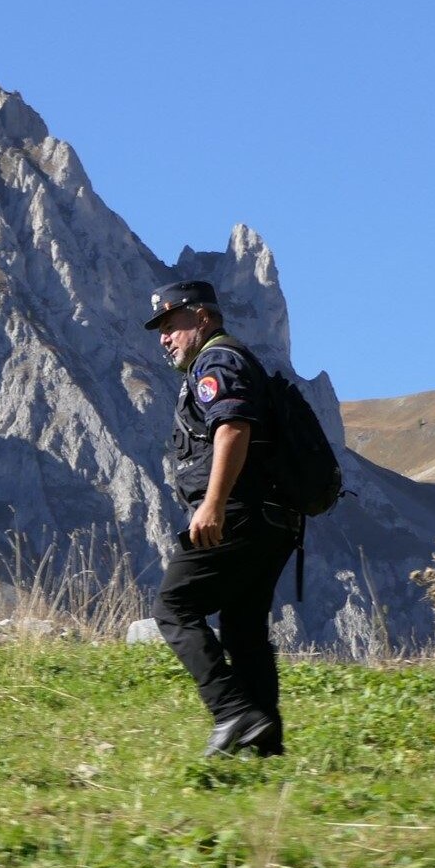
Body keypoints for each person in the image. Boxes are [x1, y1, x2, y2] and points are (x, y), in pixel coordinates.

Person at [145, 279, 301, 757]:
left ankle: (232, 712)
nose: (164, 338)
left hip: (237, 513)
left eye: (172, 325)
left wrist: (212, 504)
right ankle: (265, 740)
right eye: (161, 330)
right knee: (243, 625)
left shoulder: (217, 361)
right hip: (273, 518)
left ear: (203, 318)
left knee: (174, 608)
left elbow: (233, 426)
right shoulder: (224, 360)